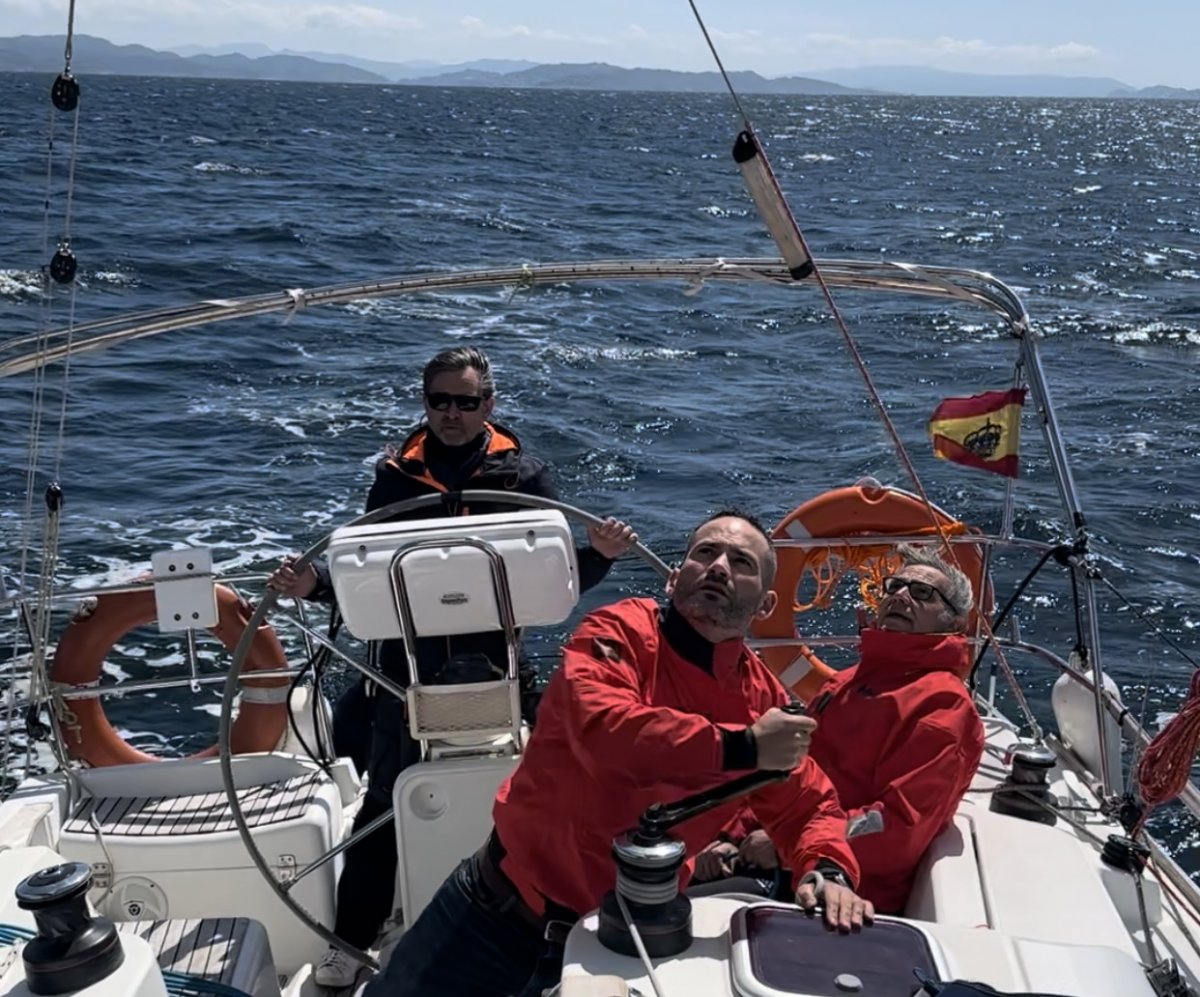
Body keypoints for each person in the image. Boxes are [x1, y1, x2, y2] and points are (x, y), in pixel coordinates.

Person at [363, 510, 873, 997]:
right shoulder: (617, 633)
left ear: (764, 605)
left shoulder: (762, 701)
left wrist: (827, 869)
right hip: (492, 911)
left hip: (622, 940)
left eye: (741, 563)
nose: (719, 566)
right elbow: (602, 729)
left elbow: (810, 805)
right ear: (675, 579)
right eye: (705, 553)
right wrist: (741, 746)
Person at [270, 345, 636, 988]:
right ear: (425, 402)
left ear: (489, 405)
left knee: (537, 799)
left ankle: (551, 930)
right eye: (439, 401)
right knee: (382, 804)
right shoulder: (395, 477)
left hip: (496, 664)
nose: (452, 414)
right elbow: (363, 575)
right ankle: (350, 944)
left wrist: (600, 555)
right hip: (401, 673)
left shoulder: (524, 477)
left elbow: (558, 577)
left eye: (466, 401)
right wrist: (313, 586)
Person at [696, 542, 985, 915]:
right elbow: (787, 774)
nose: (900, 596)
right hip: (782, 858)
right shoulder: (846, 683)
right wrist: (729, 835)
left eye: (922, 592)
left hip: (840, 891)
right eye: (894, 586)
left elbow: (898, 826)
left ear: (954, 622)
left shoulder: (942, 706)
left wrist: (786, 845)